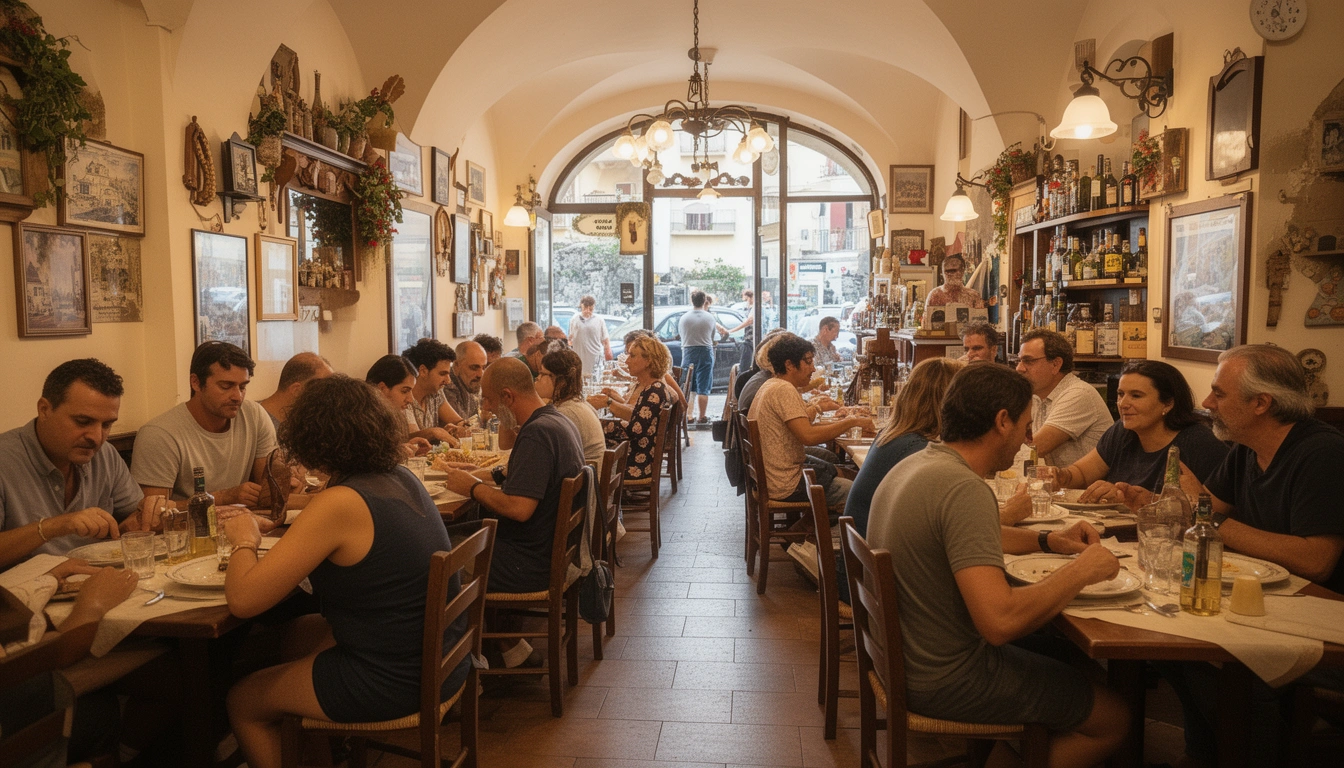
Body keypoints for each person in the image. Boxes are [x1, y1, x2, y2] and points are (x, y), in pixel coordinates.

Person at [865, 363, 1127, 766]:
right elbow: (999, 622)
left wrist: (1049, 540)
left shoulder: (917, 464)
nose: (1027, 440)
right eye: (1025, 427)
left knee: (1062, 657)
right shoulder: (963, 488)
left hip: (901, 659)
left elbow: (966, 538)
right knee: (1114, 718)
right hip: (946, 677)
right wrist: (1083, 570)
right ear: (1001, 421)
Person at [221, 375, 470, 768]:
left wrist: (243, 538)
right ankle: (320, 752)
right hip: (442, 659)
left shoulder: (341, 501)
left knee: (243, 700)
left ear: (312, 437)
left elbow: (244, 600)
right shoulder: (398, 476)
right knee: (292, 636)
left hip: (395, 678)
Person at [1145, 344, 1344, 768]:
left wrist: (1209, 521)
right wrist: (1149, 502)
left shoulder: (1322, 454)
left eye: (1219, 393)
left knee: (1213, 664)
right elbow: (1200, 512)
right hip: (1268, 608)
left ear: (1261, 403)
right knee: (1168, 644)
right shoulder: (1246, 450)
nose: (1206, 403)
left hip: (1325, 626)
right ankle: (1204, 756)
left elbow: (1316, 561)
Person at [0, 359, 167, 566]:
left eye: (107, 425)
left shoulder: (104, 454)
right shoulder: (6, 460)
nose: (96, 437)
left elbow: (129, 522)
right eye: (83, 422)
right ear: (44, 409)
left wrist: (146, 517)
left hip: (94, 581)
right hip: (21, 594)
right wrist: (55, 526)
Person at [440, 358, 585, 594]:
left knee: (430, 556)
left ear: (508, 397)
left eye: (488, 399)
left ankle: (455, 629)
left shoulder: (537, 433)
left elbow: (519, 508)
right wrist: (485, 476)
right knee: (450, 535)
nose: (486, 408)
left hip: (528, 564)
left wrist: (473, 487)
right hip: (545, 550)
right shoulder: (556, 420)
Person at [1052, 360, 1228, 504]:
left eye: (1136, 396)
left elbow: (1212, 512)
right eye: (1121, 394)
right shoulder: (1122, 431)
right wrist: (1059, 476)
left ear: (1168, 403)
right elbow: (1082, 474)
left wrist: (1136, 499)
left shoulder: (1200, 443)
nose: (1123, 404)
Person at [132, 341, 279, 506]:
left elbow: (271, 491)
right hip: (187, 529)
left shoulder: (254, 415)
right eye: (226, 386)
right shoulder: (159, 434)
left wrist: (289, 480)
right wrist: (223, 498)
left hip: (243, 522)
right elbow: (151, 515)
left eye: (243, 387)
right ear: (195, 383)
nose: (237, 396)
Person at [747, 333, 873, 511]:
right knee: (860, 492)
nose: (813, 369)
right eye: (808, 362)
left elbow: (805, 426)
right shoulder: (783, 389)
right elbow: (808, 436)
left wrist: (845, 420)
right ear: (789, 365)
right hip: (785, 484)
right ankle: (822, 531)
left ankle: (812, 528)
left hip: (775, 476)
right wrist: (851, 422)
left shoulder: (771, 384)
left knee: (843, 472)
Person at [845, 358, 962, 537]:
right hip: (877, 559)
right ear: (950, 402)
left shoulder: (894, 434)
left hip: (863, 555)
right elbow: (952, 525)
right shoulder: (919, 450)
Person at [1016, 328, 1112, 468]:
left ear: (1056, 364)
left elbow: (1036, 448)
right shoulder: (1036, 396)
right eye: (1019, 361)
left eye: (1028, 361)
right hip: (1061, 487)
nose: (1019, 368)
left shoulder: (1079, 394)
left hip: (1088, 488)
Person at [589, 334, 671, 480]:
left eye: (632, 356)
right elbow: (636, 417)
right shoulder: (652, 387)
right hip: (639, 456)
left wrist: (599, 422)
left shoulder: (654, 391)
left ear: (648, 361)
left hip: (636, 464)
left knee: (587, 452)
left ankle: (591, 494)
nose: (627, 361)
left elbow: (634, 430)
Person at [536, 347, 605, 467]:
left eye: (542, 373)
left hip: (586, 482)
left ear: (560, 381)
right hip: (589, 476)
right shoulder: (578, 403)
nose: (537, 378)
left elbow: (547, 458)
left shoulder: (565, 413)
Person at [364, 355, 432, 459]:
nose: (411, 399)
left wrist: (408, 446)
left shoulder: (392, 415)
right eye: (405, 391)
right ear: (382, 388)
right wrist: (396, 453)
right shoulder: (361, 420)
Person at [400, 338, 464, 445]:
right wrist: (434, 432)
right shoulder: (404, 398)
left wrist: (460, 427)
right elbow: (413, 440)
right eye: (442, 374)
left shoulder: (436, 391)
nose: (448, 381)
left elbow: (457, 421)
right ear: (423, 371)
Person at [256, 352, 333, 429]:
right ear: (296, 390)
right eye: (324, 390)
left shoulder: (307, 423)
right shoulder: (254, 423)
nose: (329, 397)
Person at [678, 290, 717, 426]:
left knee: (688, 385)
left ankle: (688, 416)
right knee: (703, 386)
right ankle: (702, 416)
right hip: (705, 351)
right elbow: (712, 337)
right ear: (704, 301)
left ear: (691, 300)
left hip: (688, 351)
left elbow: (681, 335)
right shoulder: (710, 317)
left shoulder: (684, 318)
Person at [922, 254, 984, 325]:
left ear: (962, 271)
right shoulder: (935, 295)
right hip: (940, 335)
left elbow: (980, 324)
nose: (949, 274)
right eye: (946, 271)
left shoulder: (973, 296)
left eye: (953, 270)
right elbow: (926, 323)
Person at [441, 340, 488, 423]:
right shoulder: (447, 386)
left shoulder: (469, 383)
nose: (480, 375)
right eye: (474, 367)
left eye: (483, 368)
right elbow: (464, 427)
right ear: (456, 366)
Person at [567, 295, 612, 379]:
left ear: (594, 308)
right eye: (585, 308)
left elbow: (605, 339)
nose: (587, 311)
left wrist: (608, 353)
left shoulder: (599, 320)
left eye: (590, 309)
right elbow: (570, 339)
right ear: (581, 306)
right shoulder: (575, 319)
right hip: (579, 357)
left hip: (595, 358)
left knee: (594, 379)